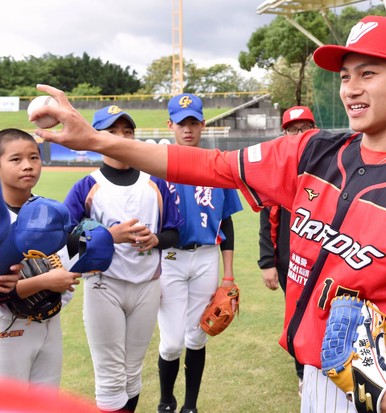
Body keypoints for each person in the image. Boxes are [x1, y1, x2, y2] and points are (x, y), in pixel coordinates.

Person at [32, 15, 386, 412]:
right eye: (345, 75)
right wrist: (98, 141)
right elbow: (213, 165)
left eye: (369, 73)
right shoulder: (312, 152)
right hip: (320, 374)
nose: (351, 88)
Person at [62, 106, 182, 413]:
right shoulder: (87, 186)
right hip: (105, 285)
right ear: (96, 138)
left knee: (132, 374)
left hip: (147, 286)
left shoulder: (154, 183)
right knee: (110, 377)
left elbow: (174, 232)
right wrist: (109, 236)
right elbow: (65, 241)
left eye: (127, 132)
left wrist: (156, 239)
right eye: (111, 132)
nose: (121, 138)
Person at [156, 94, 243, 413]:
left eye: (193, 122)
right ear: (171, 126)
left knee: (197, 337)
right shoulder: (158, 166)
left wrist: (229, 273)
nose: (188, 129)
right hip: (171, 259)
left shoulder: (218, 166)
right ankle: (166, 400)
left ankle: (190, 405)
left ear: (203, 125)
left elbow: (228, 223)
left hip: (206, 257)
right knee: (171, 342)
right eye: (182, 123)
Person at [0, 128, 81, 387]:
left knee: (45, 402)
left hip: (48, 324)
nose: (28, 166)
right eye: (16, 159)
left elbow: (69, 258)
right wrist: (44, 282)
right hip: (6, 330)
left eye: (34, 157)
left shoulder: (49, 212)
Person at [257, 105, 316, 396]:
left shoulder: (328, 166)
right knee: (297, 316)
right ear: (284, 134)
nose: (298, 135)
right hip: (288, 263)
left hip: (324, 261)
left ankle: (326, 369)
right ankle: (303, 372)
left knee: (324, 314)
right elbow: (265, 219)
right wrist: (267, 262)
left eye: (304, 129)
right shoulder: (275, 170)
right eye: (292, 130)